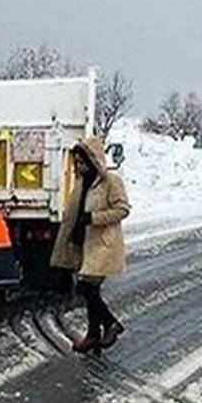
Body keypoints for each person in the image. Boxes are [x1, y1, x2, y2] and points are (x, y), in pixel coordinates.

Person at [50, 136, 130, 354]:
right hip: (84, 244)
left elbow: (123, 209)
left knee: (85, 287)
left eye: (82, 162)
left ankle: (110, 324)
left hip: (103, 244)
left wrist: (94, 217)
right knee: (89, 290)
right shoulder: (81, 183)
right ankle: (94, 334)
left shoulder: (111, 181)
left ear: (93, 159)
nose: (79, 167)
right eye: (76, 163)